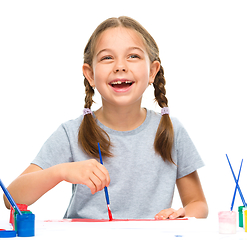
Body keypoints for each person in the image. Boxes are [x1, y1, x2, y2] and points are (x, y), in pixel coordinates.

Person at [4, 16, 208, 220]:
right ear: (90, 74)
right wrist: (62, 172)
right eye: (107, 58)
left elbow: (197, 204)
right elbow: (10, 197)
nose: (120, 66)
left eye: (133, 56)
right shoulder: (70, 133)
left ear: (153, 71)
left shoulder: (172, 131)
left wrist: (182, 215)